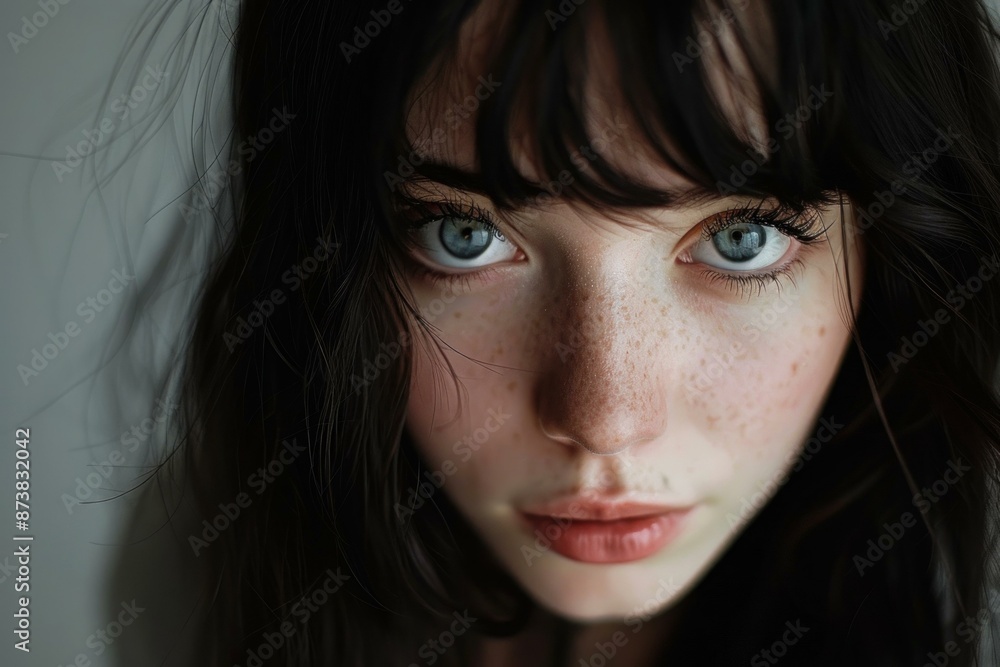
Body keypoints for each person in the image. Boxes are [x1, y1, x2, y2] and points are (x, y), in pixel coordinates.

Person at [168, 0, 1000, 664]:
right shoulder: (196, 582)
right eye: (464, 236)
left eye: (740, 238)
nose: (605, 418)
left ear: (888, 251)